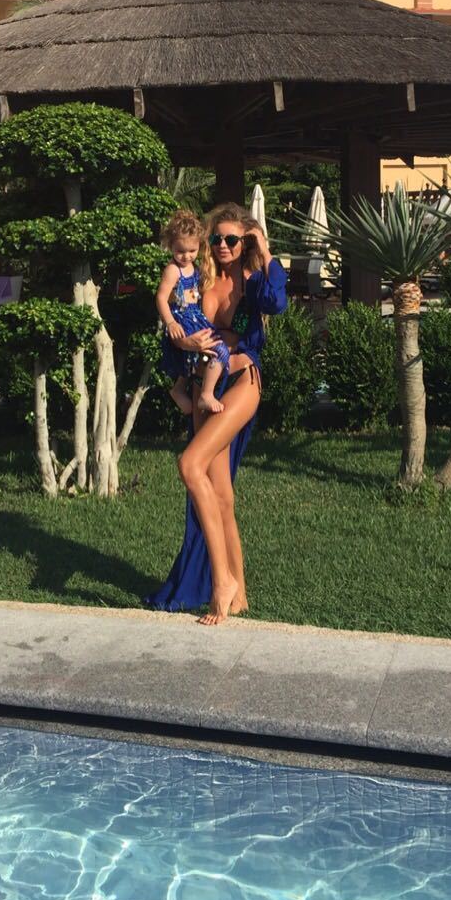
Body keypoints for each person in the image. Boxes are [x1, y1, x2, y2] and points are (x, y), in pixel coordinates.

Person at [146, 201, 288, 625]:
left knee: (190, 465)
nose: (223, 245)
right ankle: (238, 592)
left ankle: (221, 581)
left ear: (244, 242)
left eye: (232, 239)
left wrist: (264, 248)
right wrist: (184, 343)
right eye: (217, 238)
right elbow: (174, 325)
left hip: (242, 380)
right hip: (202, 384)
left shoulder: (251, 280)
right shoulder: (199, 275)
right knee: (221, 495)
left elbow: (277, 302)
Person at [156, 210, 232, 416]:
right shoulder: (173, 270)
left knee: (194, 358)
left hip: (196, 317)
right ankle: (206, 394)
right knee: (219, 350)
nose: (186, 256)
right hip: (182, 319)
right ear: (171, 246)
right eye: (180, 251)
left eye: (192, 250)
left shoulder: (194, 268)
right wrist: (170, 322)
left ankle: (179, 388)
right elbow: (161, 297)